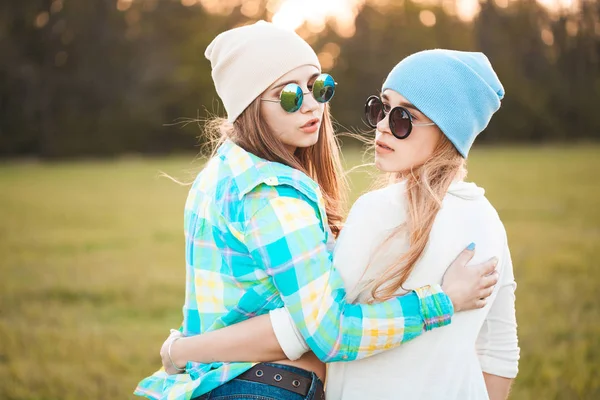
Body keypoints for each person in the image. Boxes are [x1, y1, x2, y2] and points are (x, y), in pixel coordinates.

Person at [134, 22, 498, 400]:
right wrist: (442, 301)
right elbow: (331, 333)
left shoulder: (220, 173)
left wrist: (184, 350)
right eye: (290, 96)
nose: (312, 105)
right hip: (265, 389)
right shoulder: (272, 196)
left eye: (318, 87)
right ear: (249, 105)